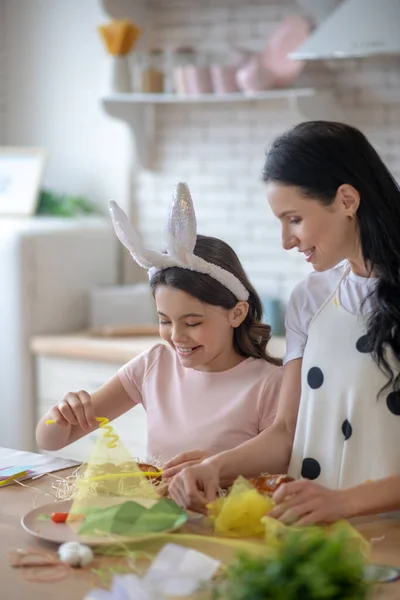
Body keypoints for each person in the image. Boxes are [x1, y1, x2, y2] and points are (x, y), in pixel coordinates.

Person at [167, 121, 400, 524]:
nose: (286, 240)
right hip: (308, 536)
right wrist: (213, 467)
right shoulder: (309, 298)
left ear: (346, 200)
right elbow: (285, 431)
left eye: (294, 218)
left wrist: (344, 502)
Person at [36, 183, 282, 464]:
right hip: (158, 509)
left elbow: (277, 471)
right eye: (164, 320)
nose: (176, 336)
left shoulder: (269, 384)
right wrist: (61, 415)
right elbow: (51, 440)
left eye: (192, 322)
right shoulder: (154, 365)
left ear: (236, 313)